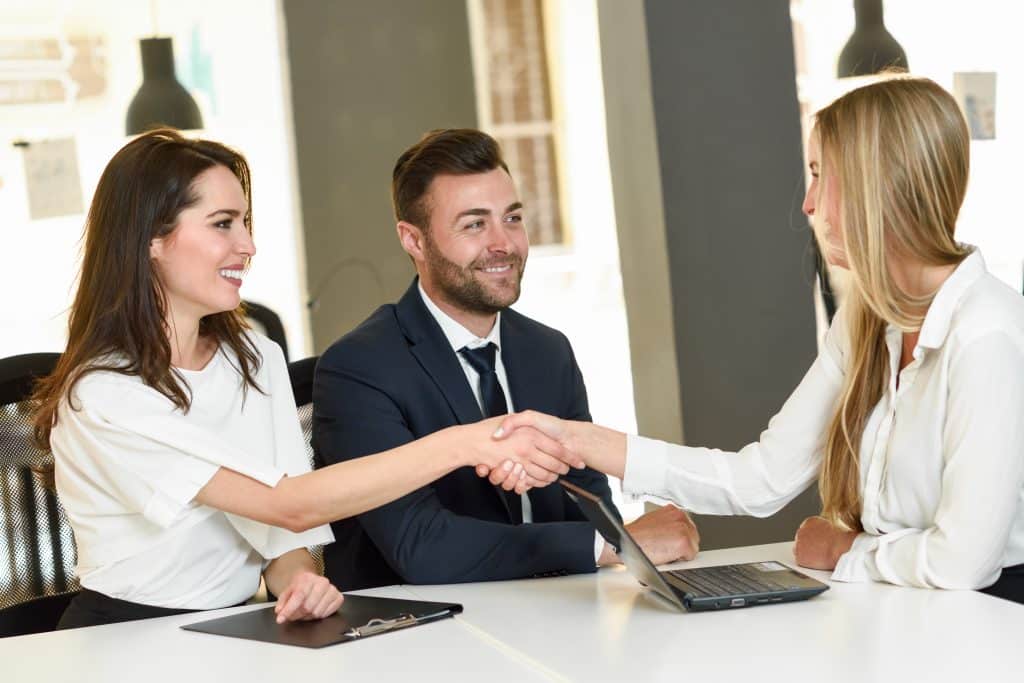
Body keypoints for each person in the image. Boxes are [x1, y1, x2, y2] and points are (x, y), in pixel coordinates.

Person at [490, 77, 1024, 603]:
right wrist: (578, 441)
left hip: (993, 620)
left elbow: (964, 562)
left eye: (820, 175)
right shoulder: (866, 319)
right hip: (908, 611)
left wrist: (846, 549)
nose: (808, 204)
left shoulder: (986, 332)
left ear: (878, 183)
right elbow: (760, 479)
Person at [32, 129, 567, 629]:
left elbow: (283, 533)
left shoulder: (253, 356)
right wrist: (467, 443)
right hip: (126, 636)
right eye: (223, 224)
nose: (248, 245)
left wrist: (302, 583)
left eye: (245, 223)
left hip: (235, 627)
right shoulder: (103, 394)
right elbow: (289, 502)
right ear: (151, 238)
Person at [312, 128, 699, 590]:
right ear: (413, 240)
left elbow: (590, 503)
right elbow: (421, 547)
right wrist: (613, 547)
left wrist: (613, 543)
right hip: (427, 638)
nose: (504, 244)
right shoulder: (360, 368)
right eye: (475, 224)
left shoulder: (548, 352)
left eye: (512, 218)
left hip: (563, 610)